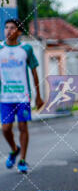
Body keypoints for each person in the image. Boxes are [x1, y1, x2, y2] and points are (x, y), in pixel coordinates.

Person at [0, 18, 43, 174]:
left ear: (18, 32)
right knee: (5, 129)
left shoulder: (26, 49)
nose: (8, 31)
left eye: (12, 28)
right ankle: (14, 149)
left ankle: (23, 160)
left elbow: (34, 71)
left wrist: (38, 96)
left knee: (23, 126)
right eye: (6, 28)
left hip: (23, 96)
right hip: (5, 97)